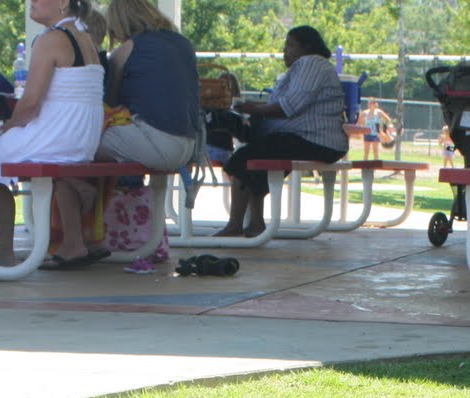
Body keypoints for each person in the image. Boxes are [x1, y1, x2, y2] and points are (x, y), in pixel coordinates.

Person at [0, 0, 103, 267]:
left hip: (57, 135)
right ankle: (3, 252)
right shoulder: (85, 37)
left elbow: (29, 104)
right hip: (82, 138)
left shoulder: (51, 39)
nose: (32, 2)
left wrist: (10, 126)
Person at [216, 26, 347, 238]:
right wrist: (254, 108)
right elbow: (283, 106)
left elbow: (290, 106)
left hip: (313, 139)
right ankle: (256, 224)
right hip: (310, 139)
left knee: (241, 159)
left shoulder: (310, 63)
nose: (284, 50)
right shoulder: (308, 68)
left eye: (290, 45)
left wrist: (252, 108)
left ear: (307, 47)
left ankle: (235, 225)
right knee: (256, 160)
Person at [98, 0, 200, 173]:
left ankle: (87, 197)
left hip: (157, 144)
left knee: (79, 145)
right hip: (189, 145)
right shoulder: (184, 44)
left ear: (119, 24)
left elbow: (110, 103)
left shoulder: (126, 50)